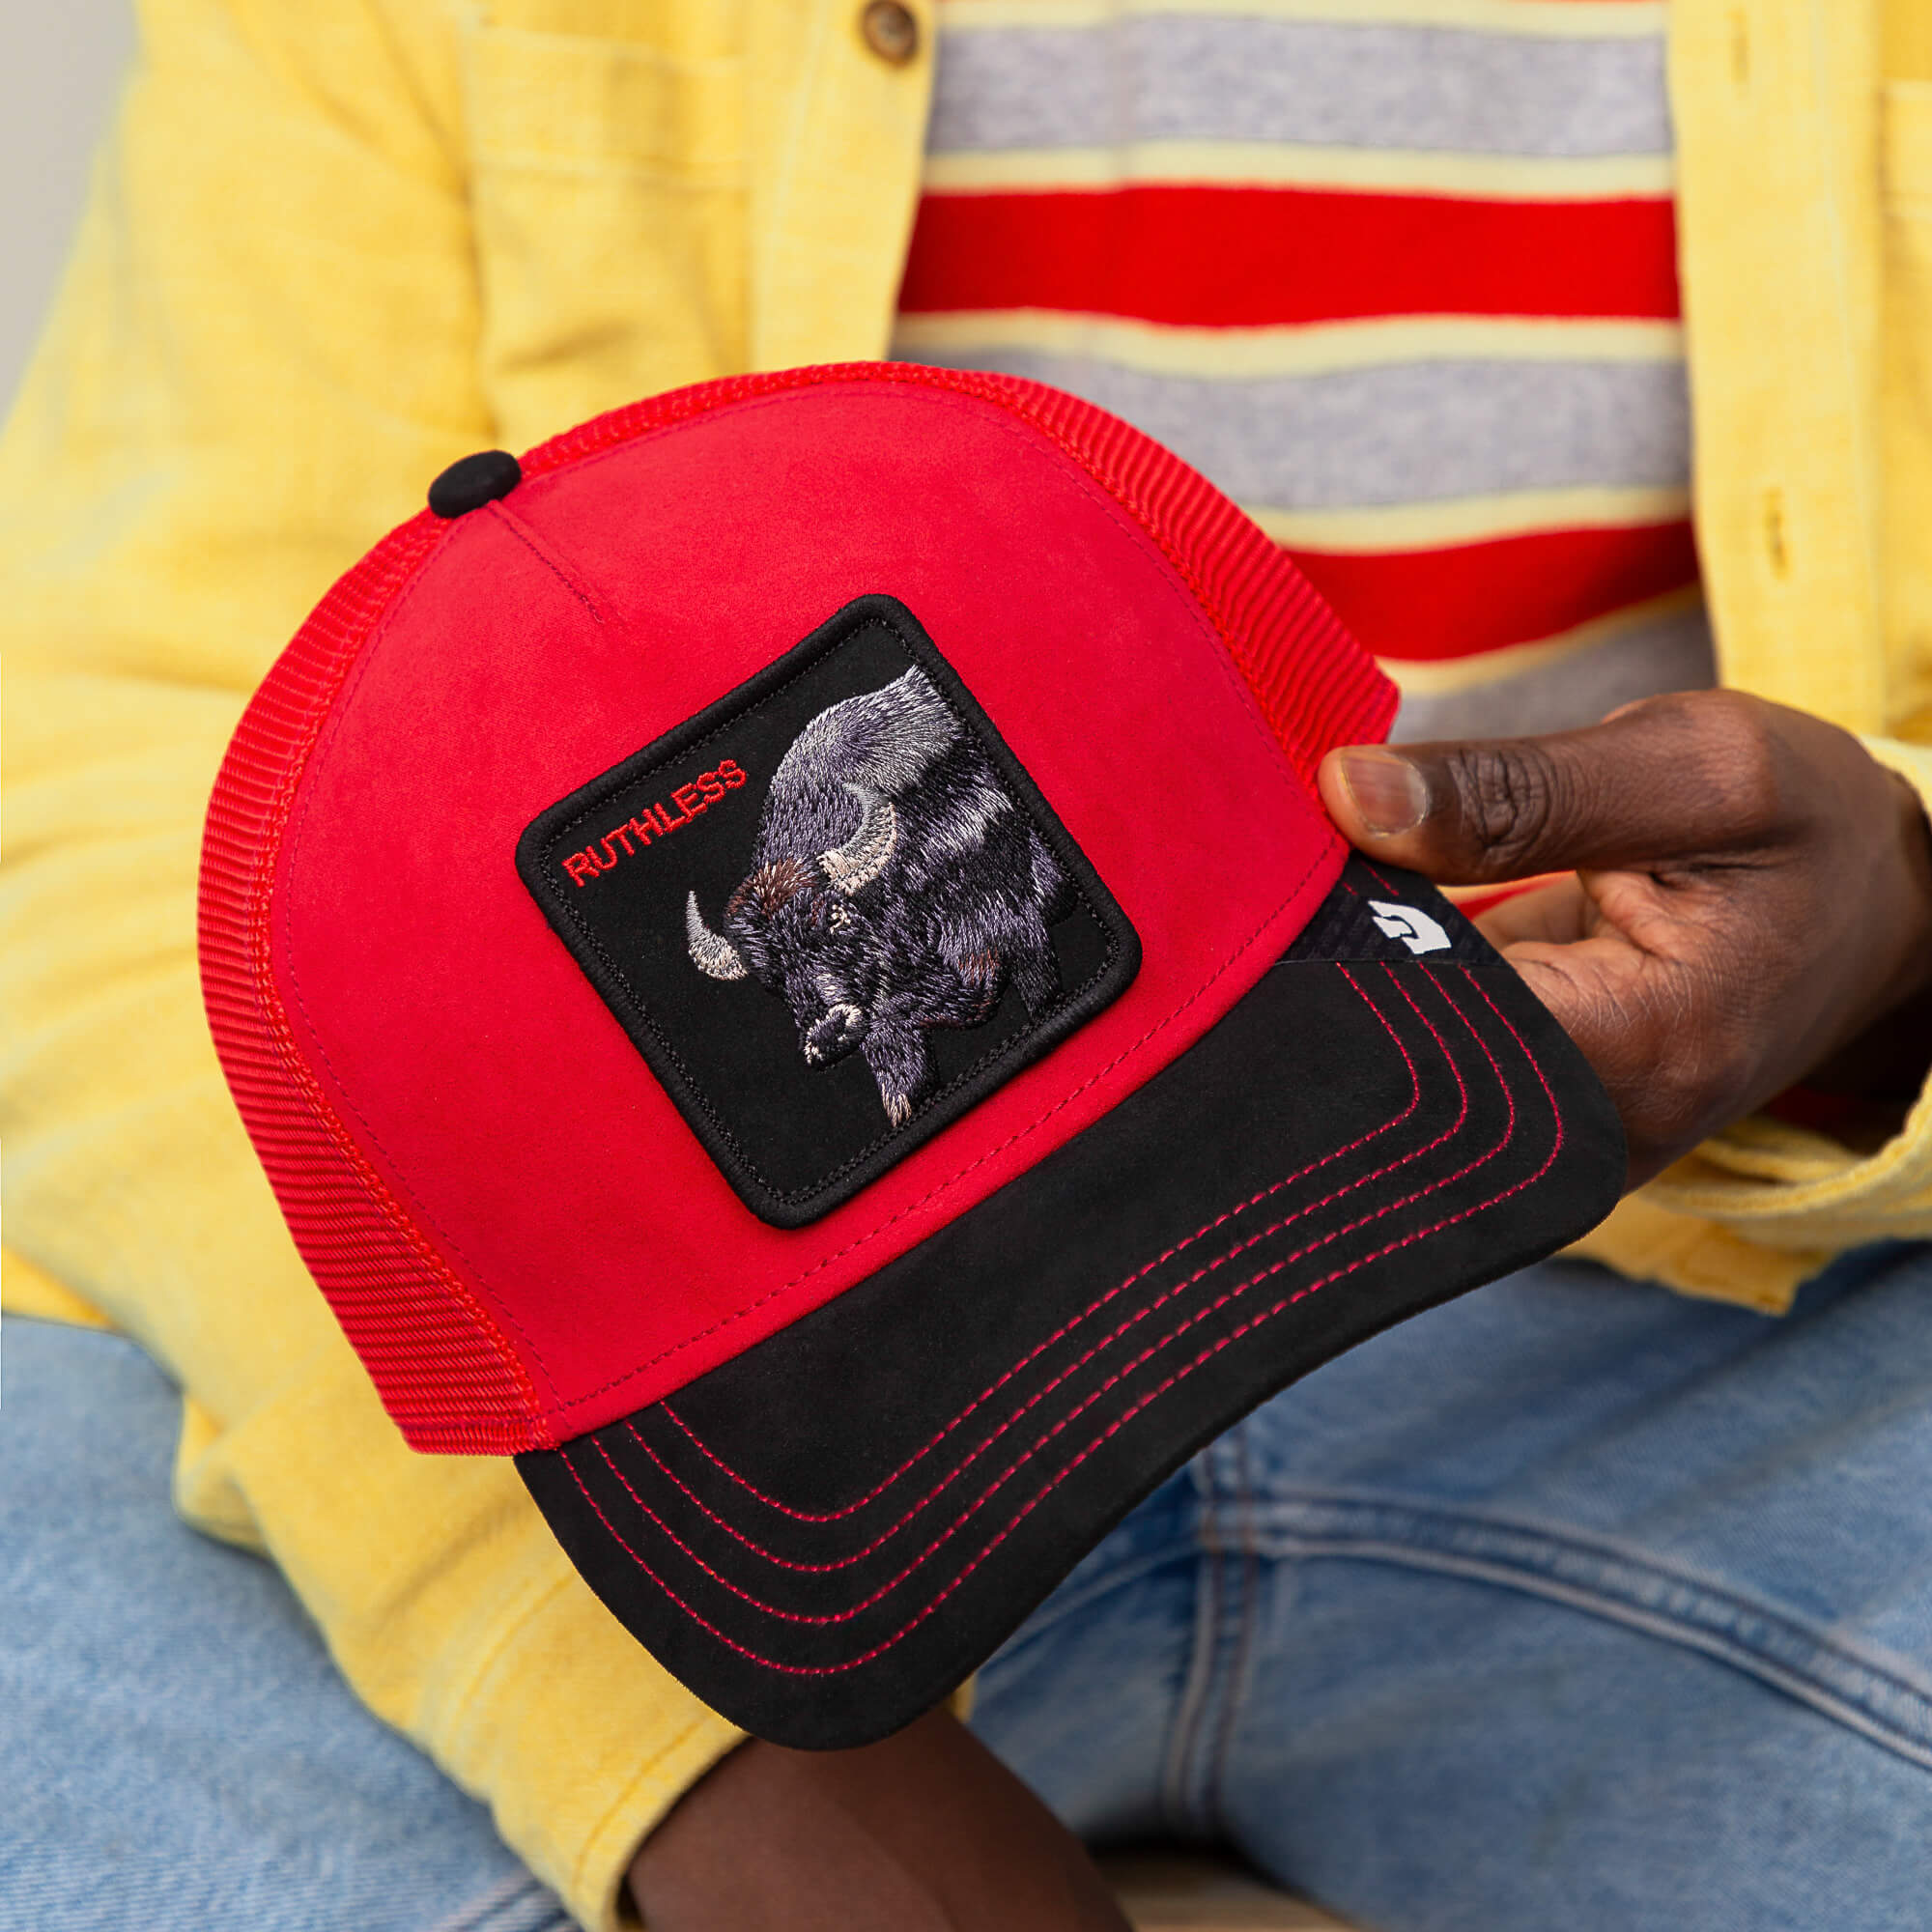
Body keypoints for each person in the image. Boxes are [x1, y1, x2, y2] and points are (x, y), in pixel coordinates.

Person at [6, 2, 1932, 1928]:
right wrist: (668, 1741)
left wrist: (1910, 901)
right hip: (697, 1388)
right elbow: (104, 763)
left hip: (1639, 1250)